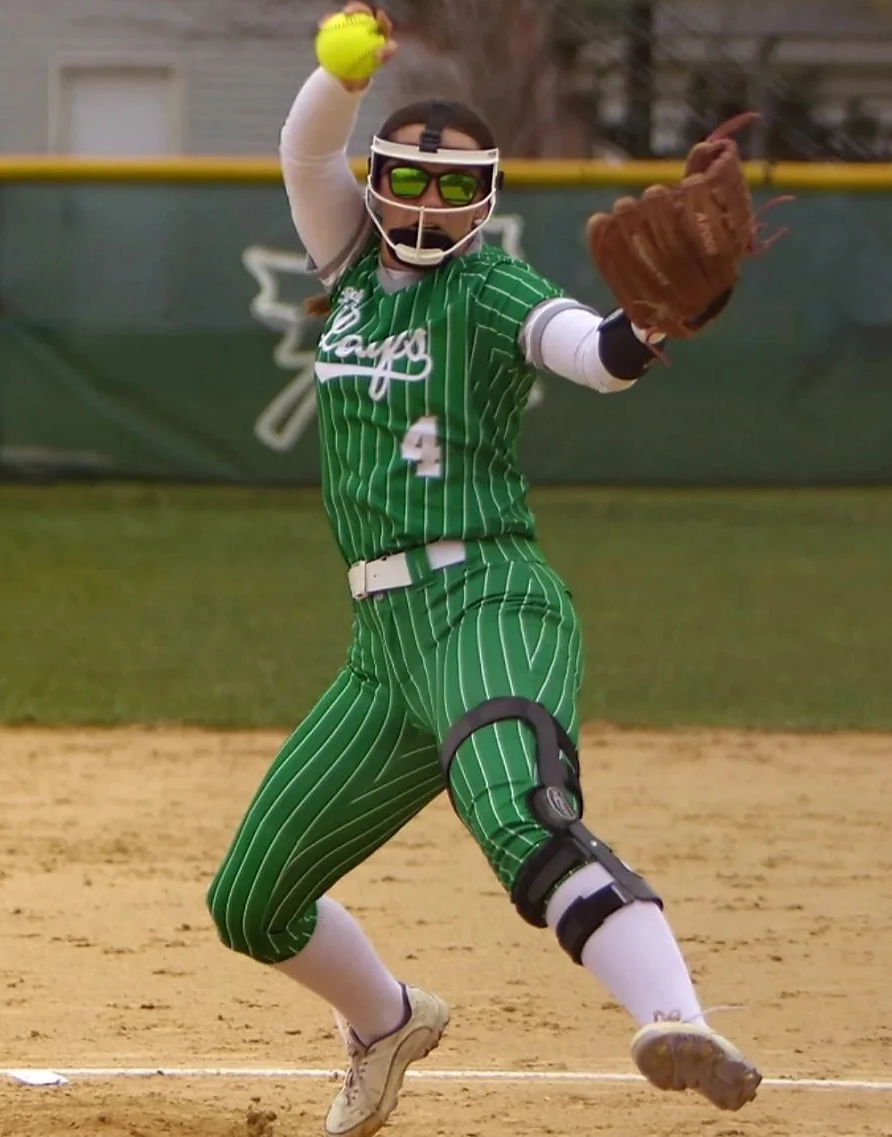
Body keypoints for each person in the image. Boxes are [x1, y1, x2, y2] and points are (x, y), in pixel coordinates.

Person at [206, 6, 766, 1136]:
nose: (426, 207)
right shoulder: (350, 262)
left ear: (488, 204)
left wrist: (646, 331)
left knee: (519, 813)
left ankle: (674, 1018)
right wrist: (337, 73)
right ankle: (385, 1020)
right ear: (377, 183)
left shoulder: (490, 291)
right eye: (407, 180)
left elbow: (590, 353)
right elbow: (305, 152)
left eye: (456, 191)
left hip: (485, 602)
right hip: (384, 649)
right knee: (250, 899)